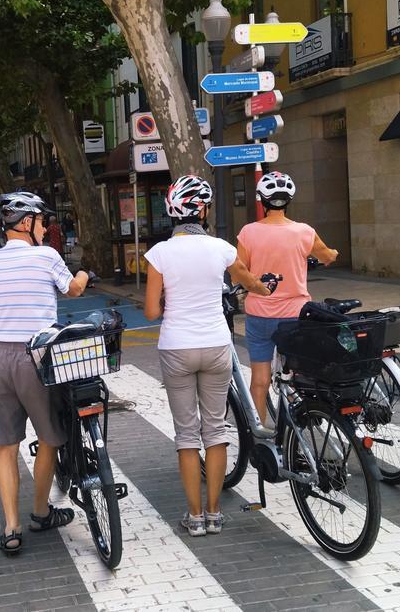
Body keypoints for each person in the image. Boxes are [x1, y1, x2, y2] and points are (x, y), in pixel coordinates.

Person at [143, 175, 273, 537]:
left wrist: (171, 298)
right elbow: (248, 281)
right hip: (216, 344)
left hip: (176, 347)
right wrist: (267, 288)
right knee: (215, 429)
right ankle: (216, 514)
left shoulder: (159, 254)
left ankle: (194, 517)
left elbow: (152, 311)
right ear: (200, 210)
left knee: (187, 435)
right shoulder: (221, 248)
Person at [0, 192, 92, 554]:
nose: (46, 228)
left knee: (5, 445)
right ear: (27, 223)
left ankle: (11, 527)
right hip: (36, 355)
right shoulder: (46, 256)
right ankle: (41, 511)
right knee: (50, 436)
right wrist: (83, 271)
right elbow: (73, 290)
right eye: (43, 222)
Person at [236, 171, 339, 424]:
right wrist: (332, 253)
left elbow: (241, 271)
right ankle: (297, 432)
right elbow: (327, 256)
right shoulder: (304, 231)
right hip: (295, 316)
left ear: (263, 199)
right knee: (295, 375)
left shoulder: (248, 232)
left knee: (259, 380)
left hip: (259, 314)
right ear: (289, 199)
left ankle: (259, 434)